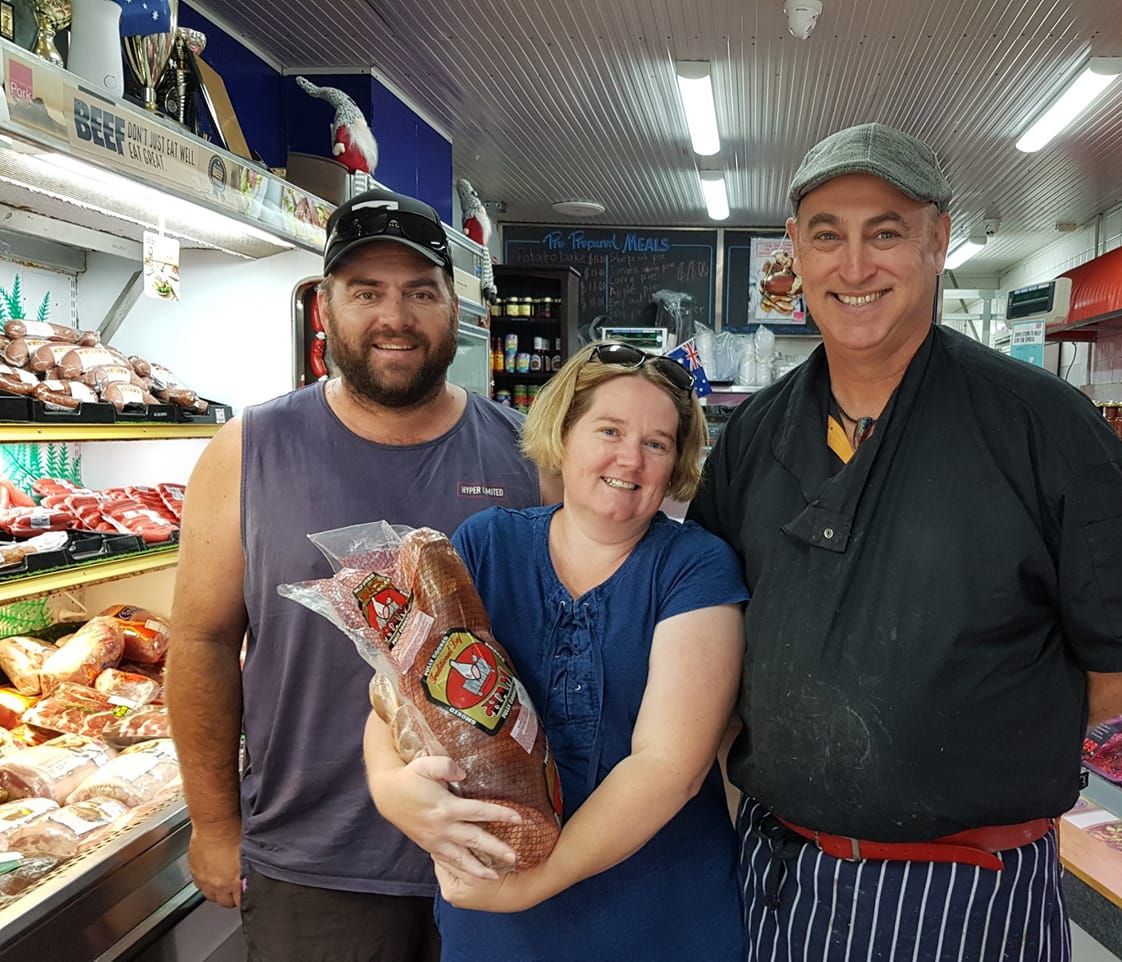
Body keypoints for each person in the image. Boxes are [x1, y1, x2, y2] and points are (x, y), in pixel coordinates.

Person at [686, 123, 1122, 962]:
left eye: (885, 232)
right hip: (778, 874)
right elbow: (706, 633)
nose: (854, 266)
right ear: (795, 257)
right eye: (827, 236)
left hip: (968, 893)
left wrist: (972, 736)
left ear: (938, 240)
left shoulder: (1045, 427)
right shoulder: (755, 437)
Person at [167, 188, 557, 962]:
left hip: (499, 853)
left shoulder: (526, 455)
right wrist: (213, 825)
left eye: (420, 291)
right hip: (316, 863)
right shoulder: (247, 451)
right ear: (326, 308)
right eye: (366, 292)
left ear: (454, 307)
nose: (396, 317)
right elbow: (203, 644)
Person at [365, 341, 749, 962]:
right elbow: (398, 699)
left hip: (657, 919)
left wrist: (529, 888)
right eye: (610, 430)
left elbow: (667, 768)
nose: (632, 458)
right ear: (563, 434)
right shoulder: (485, 545)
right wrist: (391, 789)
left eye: (657, 442)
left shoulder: (696, 567)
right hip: (495, 926)